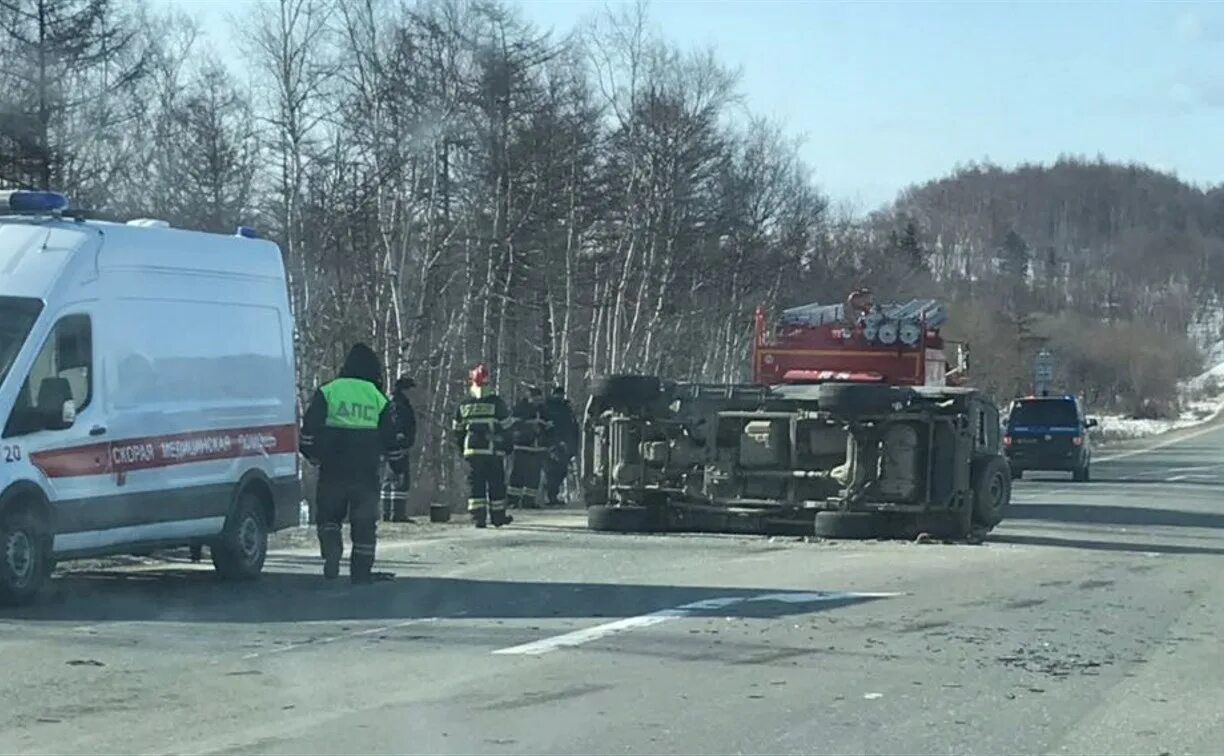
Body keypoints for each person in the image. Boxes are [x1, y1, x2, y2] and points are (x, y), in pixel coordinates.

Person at [300, 343, 407, 584]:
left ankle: (331, 548)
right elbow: (391, 439)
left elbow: (308, 430)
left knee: (328, 516)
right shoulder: (377, 397)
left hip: (333, 467)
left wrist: (312, 454)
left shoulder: (328, 391)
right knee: (364, 524)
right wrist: (398, 467)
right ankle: (361, 573)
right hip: (366, 471)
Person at [452, 364, 514, 528]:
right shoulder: (496, 403)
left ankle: (478, 518)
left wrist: (461, 449)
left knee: (476, 485)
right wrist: (508, 446)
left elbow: (457, 430)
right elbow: (507, 427)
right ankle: (498, 517)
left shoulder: (464, 404)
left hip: (472, 452)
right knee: (496, 484)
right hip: (493, 451)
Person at [506, 385, 551, 509]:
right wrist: (529, 429)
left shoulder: (544, 410)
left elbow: (550, 427)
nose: (537, 401)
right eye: (535, 399)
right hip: (522, 446)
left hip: (538, 448)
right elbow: (513, 425)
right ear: (529, 397)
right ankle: (512, 500)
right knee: (517, 474)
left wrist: (547, 439)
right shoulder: (520, 408)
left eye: (539, 399)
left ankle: (529, 500)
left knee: (534, 475)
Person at [381, 375, 417, 523]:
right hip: (398, 445)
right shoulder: (400, 404)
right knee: (400, 479)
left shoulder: (389, 401)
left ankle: (387, 513)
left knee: (389, 479)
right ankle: (397, 514)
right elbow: (401, 424)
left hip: (389, 445)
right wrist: (403, 440)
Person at [543, 384, 579, 507]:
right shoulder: (549, 408)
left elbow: (572, 426)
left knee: (562, 471)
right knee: (553, 471)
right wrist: (554, 441)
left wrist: (573, 444)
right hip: (554, 443)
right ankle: (550, 495)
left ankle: (553, 494)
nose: (560, 396)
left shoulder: (566, 408)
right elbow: (550, 425)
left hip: (566, 443)